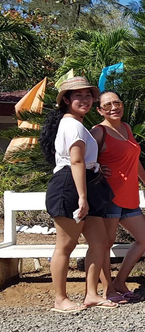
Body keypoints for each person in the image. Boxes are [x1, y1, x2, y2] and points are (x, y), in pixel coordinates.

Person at [39, 76, 118, 312]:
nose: (84, 100)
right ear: (66, 99)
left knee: (99, 241)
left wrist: (95, 167)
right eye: (78, 96)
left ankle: (91, 294)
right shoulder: (72, 124)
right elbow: (75, 161)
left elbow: (84, 161)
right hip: (70, 186)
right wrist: (82, 197)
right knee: (66, 244)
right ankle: (60, 299)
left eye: (88, 95)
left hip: (84, 183)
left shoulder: (76, 124)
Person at [91, 91, 145, 303]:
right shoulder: (99, 132)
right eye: (107, 105)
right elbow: (81, 159)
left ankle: (119, 281)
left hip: (128, 196)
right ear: (99, 110)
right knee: (105, 244)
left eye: (116, 102)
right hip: (108, 196)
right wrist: (98, 168)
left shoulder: (126, 128)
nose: (113, 107)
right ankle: (108, 290)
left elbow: (133, 158)